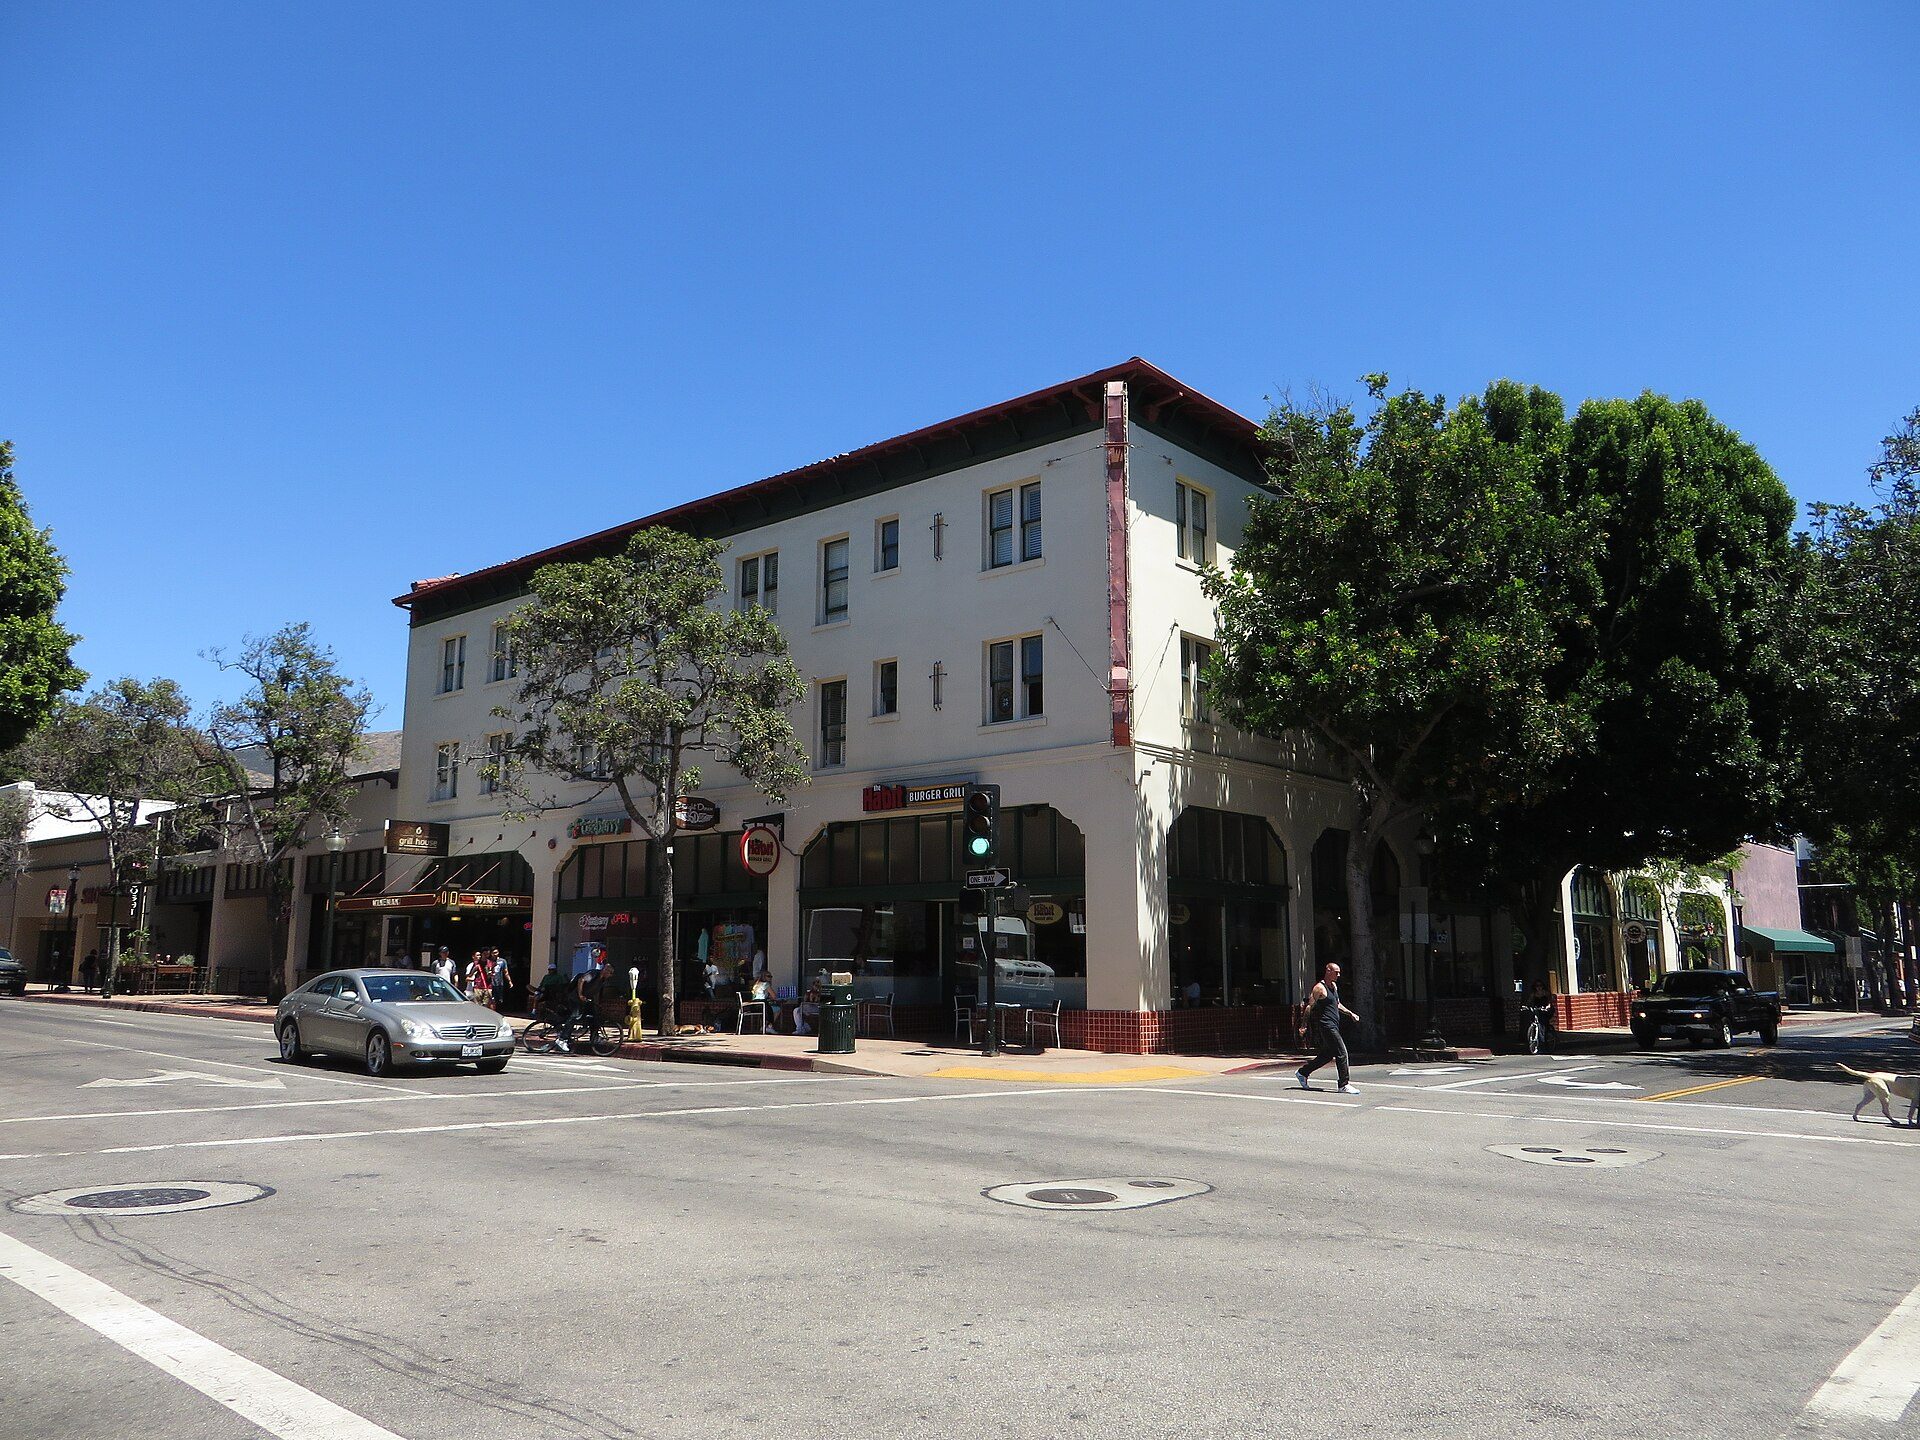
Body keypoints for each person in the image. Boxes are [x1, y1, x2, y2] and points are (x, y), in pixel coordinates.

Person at [1296, 962, 1361, 1094]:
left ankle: (1303, 1072)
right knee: (1342, 1052)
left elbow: (1337, 1004)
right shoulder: (1319, 988)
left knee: (1327, 1055)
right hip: (1326, 1025)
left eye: (1339, 972)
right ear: (1328, 971)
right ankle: (1343, 1084)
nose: (1338, 975)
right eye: (1336, 972)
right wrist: (1303, 1026)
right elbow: (1309, 1007)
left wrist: (1350, 1013)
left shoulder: (1334, 987)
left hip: (1334, 1025)